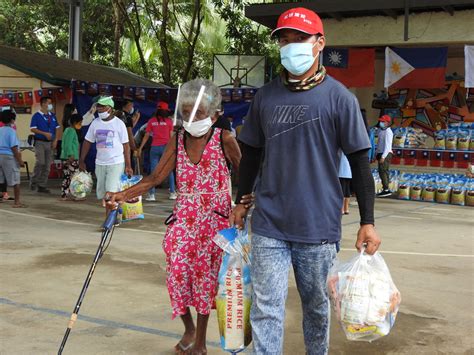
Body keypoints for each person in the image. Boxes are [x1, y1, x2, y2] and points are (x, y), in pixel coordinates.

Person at [229, 7, 380, 354]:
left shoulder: (339, 98)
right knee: (266, 310)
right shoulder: (265, 97)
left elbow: (359, 161)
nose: (291, 46)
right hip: (269, 224)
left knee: (316, 309)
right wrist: (242, 200)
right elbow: (250, 153)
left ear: (319, 43)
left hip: (317, 228)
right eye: (285, 39)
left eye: (300, 38)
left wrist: (368, 222)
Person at [105, 79, 252, 355]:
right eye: (186, 113)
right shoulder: (177, 139)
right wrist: (123, 194)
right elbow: (156, 177)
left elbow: (245, 173)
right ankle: (188, 327)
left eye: (198, 114)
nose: (191, 119)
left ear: (215, 115)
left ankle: (200, 342)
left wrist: (243, 204)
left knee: (207, 279)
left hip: (216, 221)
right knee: (176, 270)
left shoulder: (224, 139)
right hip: (185, 218)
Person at [79, 96, 132, 204]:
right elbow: (87, 141)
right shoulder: (95, 123)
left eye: (102, 107)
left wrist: (128, 165)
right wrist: (81, 160)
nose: (99, 109)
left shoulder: (119, 124)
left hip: (116, 163)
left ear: (110, 108)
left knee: (110, 194)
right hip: (100, 163)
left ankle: (110, 220)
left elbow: (126, 146)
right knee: (103, 195)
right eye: (98, 106)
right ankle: (115, 215)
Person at [137, 101, 175, 201]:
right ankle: (172, 193)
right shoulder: (169, 122)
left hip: (154, 148)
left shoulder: (151, 121)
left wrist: (140, 148)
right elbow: (171, 137)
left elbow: (146, 135)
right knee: (169, 170)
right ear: (166, 111)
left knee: (154, 172)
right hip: (166, 148)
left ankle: (152, 194)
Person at [29, 96, 61, 193]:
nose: (50, 105)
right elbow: (33, 128)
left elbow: (57, 128)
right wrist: (44, 133)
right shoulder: (36, 116)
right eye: (49, 103)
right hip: (39, 142)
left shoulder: (52, 116)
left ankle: (42, 185)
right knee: (40, 162)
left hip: (50, 143)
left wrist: (55, 140)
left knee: (47, 165)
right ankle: (34, 180)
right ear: (43, 104)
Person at [0, 110, 26, 207]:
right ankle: (17, 202)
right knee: (16, 180)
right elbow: (14, 147)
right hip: (9, 156)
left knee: (1, 179)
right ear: (12, 120)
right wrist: (20, 161)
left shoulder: (0, 130)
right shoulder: (11, 131)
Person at [60, 114, 82, 201]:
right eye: (80, 122)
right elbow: (68, 144)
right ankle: (77, 195)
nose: (81, 124)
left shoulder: (66, 130)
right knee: (75, 177)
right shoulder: (72, 131)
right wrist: (70, 155)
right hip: (72, 158)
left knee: (66, 177)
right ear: (75, 122)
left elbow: (64, 144)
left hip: (64, 157)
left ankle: (64, 195)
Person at [376, 114, 393, 197]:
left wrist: (383, 157)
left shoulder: (388, 132)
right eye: (380, 121)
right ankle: (385, 188)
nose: (381, 123)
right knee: (381, 171)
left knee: (383, 171)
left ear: (387, 123)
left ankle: (386, 189)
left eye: (383, 121)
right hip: (381, 153)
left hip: (385, 153)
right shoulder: (381, 130)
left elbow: (388, 146)